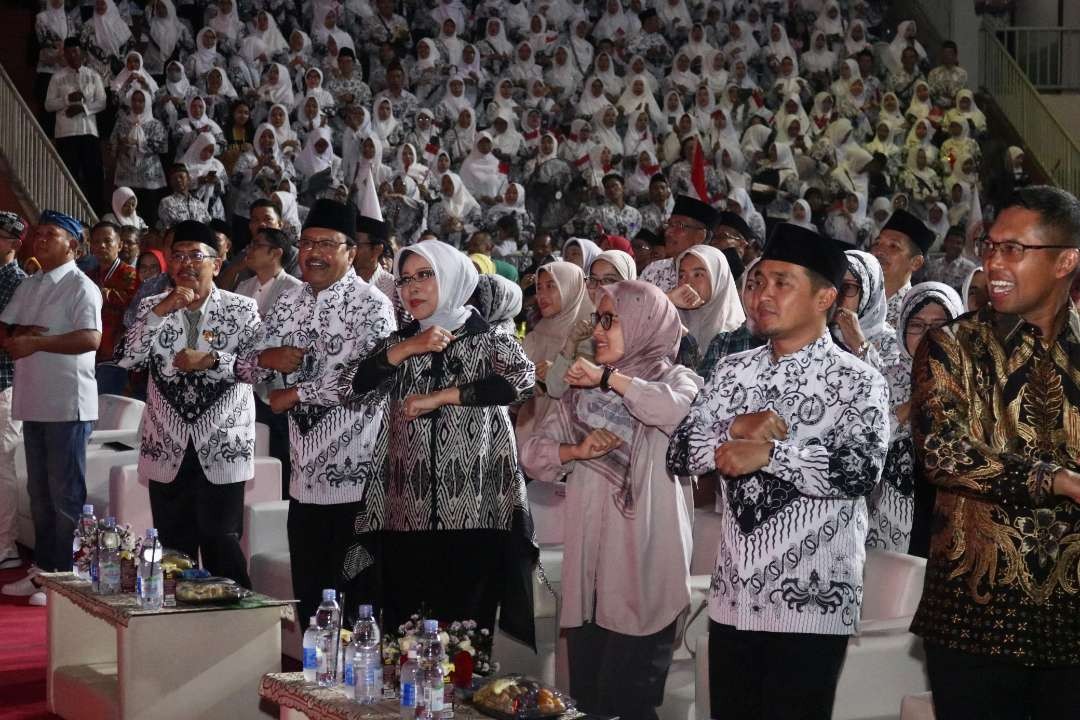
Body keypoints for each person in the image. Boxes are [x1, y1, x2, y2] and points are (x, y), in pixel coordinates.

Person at [667, 223, 890, 720]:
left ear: (825, 297)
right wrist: (734, 426)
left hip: (813, 606)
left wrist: (771, 455)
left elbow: (860, 472)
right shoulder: (732, 370)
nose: (762, 294)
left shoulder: (857, 380)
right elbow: (679, 453)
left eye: (781, 283)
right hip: (733, 601)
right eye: (757, 281)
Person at [911, 186, 1080, 717]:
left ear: (1066, 261)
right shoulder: (952, 345)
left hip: (1073, 620)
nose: (993, 262)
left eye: (1014, 249)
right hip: (974, 618)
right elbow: (942, 452)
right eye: (990, 246)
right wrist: (1056, 479)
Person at [520, 281, 701, 720]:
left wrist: (611, 379)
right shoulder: (582, 393)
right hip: (592, 573)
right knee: (590, 703)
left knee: (632, 703)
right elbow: (532, 454)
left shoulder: (677, 380)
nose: (598, 332)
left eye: (610, 320)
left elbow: (677, 414)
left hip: (645, 569)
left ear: (644, 324)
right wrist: (574, 453)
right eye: (598, 320)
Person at [342, 239, 537, 641]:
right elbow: (351, 386)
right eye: (404, 279)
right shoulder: (400, 344)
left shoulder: (489, 339)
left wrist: (443, 397)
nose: (412, 288)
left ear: (451, 277)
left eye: (425, 276)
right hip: (402, 511)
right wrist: (410, 346)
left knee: (462, 640)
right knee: (403, 637)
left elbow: (522, 380)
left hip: (474, 510)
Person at [237, 200, 395, 624]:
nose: (314, 253)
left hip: (357, 480)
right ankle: (313, 687)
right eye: (307, 243)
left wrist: (297, 394)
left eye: (327, 243)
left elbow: (371, 378)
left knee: (358, 598)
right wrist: (269, 356)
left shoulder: (373, 305)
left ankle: (359, 686)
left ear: (351, 251)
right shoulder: (289, 302)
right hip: (303, 476)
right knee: (312, 593)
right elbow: (245, 362)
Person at [120, 220, 259, 587]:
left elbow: (261, 370)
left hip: (223, 446)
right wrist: (160, 311)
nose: (185, 263)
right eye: (177, 255)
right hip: (166, 446)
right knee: (174, 553)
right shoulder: (152, 306)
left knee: (220, 541)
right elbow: (126, 358)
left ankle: (236, 630)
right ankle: (184, 636)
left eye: (196, 255)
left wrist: (212, 360)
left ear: (216, 263)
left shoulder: (242, 309)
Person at [0, 211, 102, 606]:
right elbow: (8, 328)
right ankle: (44, 570)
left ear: (72, 245)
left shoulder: (81, 286)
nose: (40, 239)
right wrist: (21, 335)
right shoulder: (34, 283)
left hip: (67, 403)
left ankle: (66, 579)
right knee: (39, 493)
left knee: (64, 496)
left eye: (51, 235)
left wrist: (38, 342)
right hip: (33, 398)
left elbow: (91, 337)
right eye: (38, 234)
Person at [894, 282, 965, 558]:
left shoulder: (973, 381)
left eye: (940, 324)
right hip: (891, 511)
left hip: (948, 513)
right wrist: (909, 408)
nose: (928, 335)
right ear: (902, 328)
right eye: (917, 325)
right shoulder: (878, 377)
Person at [234, 227, 301, 497]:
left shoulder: (294, 290)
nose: (249, 250)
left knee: (279, 457)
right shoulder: (243, 287)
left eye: (256, 245)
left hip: (278, 388)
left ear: (276, 253)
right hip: (246, 388)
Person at [44, 39, 107, 215]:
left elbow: (102, 102)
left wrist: (83, 108)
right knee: (68, 176)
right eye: (69, 53)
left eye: (76, 52)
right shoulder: (57, 77)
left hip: (88, 132)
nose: (72, 56)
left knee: (93, 176)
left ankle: (96, 216)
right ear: (64, 55)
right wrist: (67, 100)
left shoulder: (93, 75)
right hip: (66, 133)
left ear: (83, 54)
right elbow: (48, 105)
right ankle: (66, 214)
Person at [0, 213, 27, 572]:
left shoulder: (17, 281)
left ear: (14, 243)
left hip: (4, 383)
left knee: (2, 464)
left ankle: (6, 545)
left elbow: (8, 337)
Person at [640, 195, 719, 292]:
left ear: (700, 235)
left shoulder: (714, 274)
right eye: (669, 224)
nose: (667, 232)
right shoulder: (654, 270)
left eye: (678, 225)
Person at [869, 208, 933, 327]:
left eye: (893, 246)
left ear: (916, 263)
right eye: (877, 243)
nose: (879, 251)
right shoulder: (856, 298)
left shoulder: (915, 314)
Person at [87, 221, 139, 364]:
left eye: (108, 241)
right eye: (96, 241)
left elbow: (133, 304)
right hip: (90, 349)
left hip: (117, 350)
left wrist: (100, 294)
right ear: (91, 246)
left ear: (120, 245)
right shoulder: (88, 276)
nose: (102, 246)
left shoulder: (131, 274)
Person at [924, 225, 978, 295]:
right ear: (945, 242)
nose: (954, 245)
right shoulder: (934, 265)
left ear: (963, 245)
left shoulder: (970, 268)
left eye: (958, 243)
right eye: (951, 241)